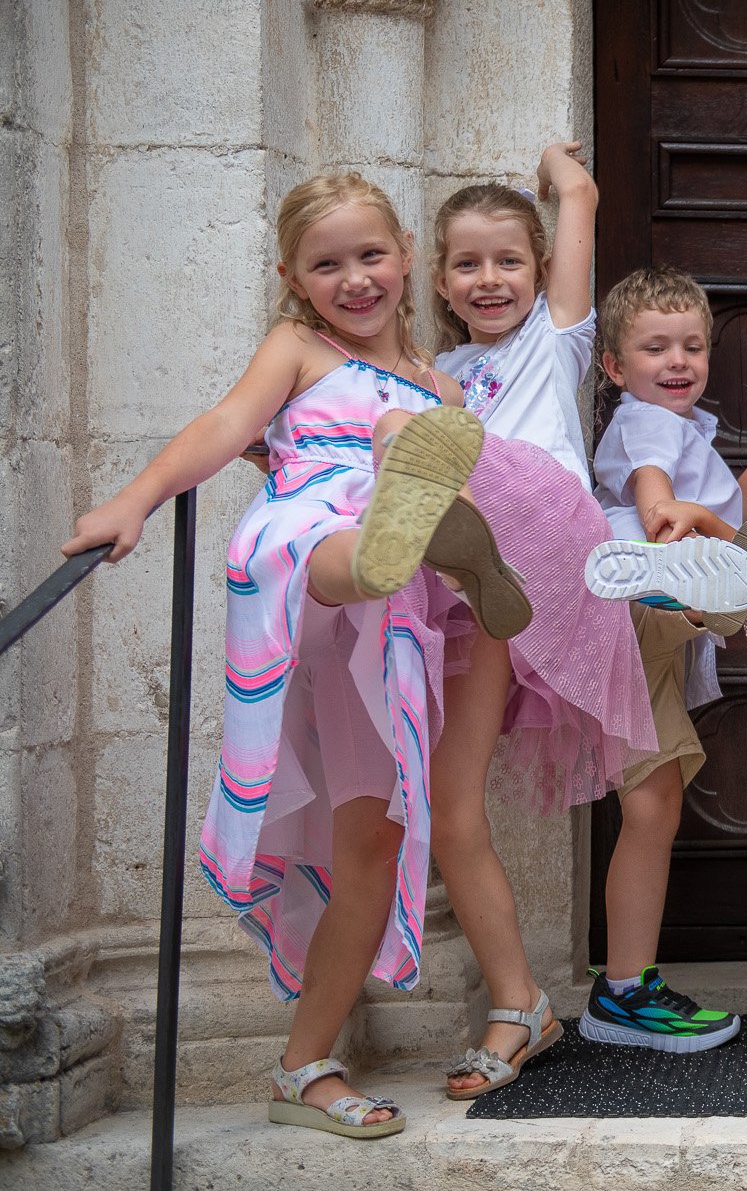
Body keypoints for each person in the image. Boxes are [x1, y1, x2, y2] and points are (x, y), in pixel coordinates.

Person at [60, 173, 543, 1137]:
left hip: (390, 621)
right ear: (292, 278)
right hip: (308, 548)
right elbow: (223, 428)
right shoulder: (299, 349)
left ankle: (304, 1068)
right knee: (371, 488)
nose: (354, 278)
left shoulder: (442, 385)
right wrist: (135, 501)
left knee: (374, 840)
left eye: (371, 255)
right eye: (327, 265)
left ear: (406, 257)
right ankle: (384, 540)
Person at [425, 147, 747, 1099]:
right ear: (439, 282)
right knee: (634, 787)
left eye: (510, 261)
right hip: (489, 596)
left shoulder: (554, 340)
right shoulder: (440, 373)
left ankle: (691, 583)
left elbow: (579, 199)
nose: (490, 279)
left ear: (540, 272)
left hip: (563, 574)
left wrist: (557, 172)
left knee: (653, 782)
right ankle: (691, 583)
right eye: (467, 265)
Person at [579, 264, 747, 1053]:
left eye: (692, 346)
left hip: (651, 627)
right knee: (652, 803)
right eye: (655, 348)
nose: (678, 361)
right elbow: (655, 496)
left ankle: (625, 987)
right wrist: (666, 521)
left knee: (657, 801)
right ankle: (624, 993)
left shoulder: (683, 427)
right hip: (644, 601)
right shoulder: (647, 422)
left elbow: (698, 498)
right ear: (615, 366)